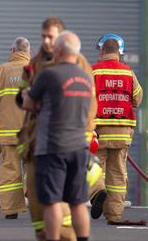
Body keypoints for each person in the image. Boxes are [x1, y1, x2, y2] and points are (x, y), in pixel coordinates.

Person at [16, 17, 104, 241]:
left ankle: (64, 237)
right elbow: (22, 95)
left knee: (57, 201)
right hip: (38, 140)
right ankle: (44, 234)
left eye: (51, 37)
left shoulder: (77, 65)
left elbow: (88, 104)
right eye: (43, 36)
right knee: (39, 199)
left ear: (61, 39)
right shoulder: (35, 64)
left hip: (56, 143)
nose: (46, 41)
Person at [91, 34, 144, 225]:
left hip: (99, 132)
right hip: (122, 133)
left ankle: (97, 192)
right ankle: (114, 215)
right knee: (118, 174)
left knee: (91, 166)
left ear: (103, 51)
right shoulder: (128, 73)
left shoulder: (93, 72)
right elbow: (138, 98)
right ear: (119, 53)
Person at [0, 37, 31, 219]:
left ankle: (11, 211)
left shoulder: (1, 71)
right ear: (28, 52)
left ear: (12, 51)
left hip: (8, 133)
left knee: (10, 172)